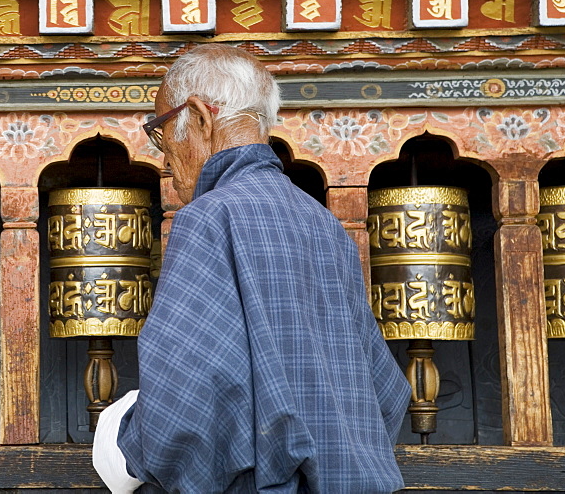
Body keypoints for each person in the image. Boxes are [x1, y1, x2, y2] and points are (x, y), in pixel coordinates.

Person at [92, 44, 410, 493]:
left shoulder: (209, 219)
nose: (163, 159)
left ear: (201, 117)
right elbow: (387, 394)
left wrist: (117, 440)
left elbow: (181, 414)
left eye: (161, 134)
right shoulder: (325, 225)